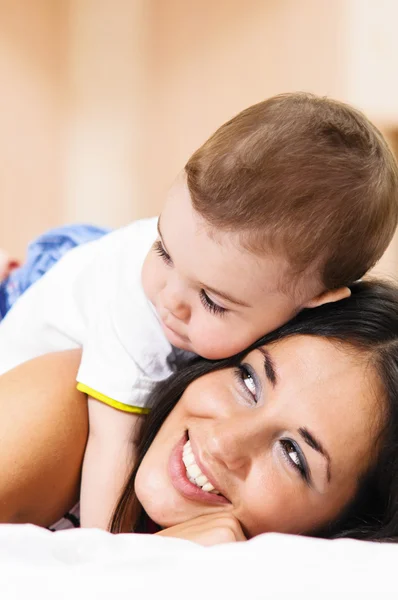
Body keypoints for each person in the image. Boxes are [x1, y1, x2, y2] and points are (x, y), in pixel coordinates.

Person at [0, 93, 398, 531]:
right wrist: (110, 556)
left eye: (293, 454)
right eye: (248, 380)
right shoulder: (118, 342)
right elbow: (104, 535)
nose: (169, 299)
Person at [1, 280, 398, 545]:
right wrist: (140, 568)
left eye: (293, 454)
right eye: (249, 381)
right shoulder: (80, 403)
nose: (225, 442)